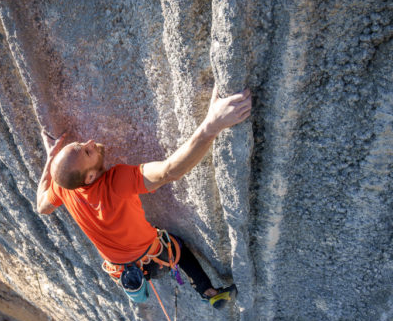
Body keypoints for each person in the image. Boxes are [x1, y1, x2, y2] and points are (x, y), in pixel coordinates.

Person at [36, 86, 253, 306]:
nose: (89, 142)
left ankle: (210, 294)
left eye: (81, 144)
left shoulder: (64, 187)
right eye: (87, 152)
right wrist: (212, 125)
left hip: (126, 272)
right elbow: (170, 171)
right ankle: (208, 292)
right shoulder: (116, 181)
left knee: (168, 246)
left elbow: (41, 207)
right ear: (90, 176)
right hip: (154, 256)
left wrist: (51, 159)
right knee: (176, 244)